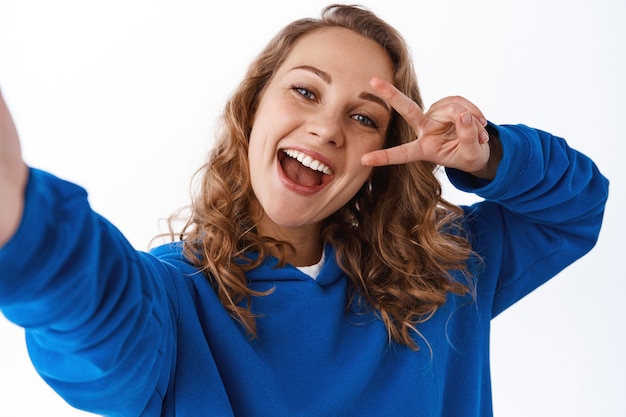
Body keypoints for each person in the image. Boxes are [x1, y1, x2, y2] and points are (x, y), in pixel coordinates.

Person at [0, 4, 608, 417]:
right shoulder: (175, 300)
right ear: (252, 110)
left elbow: (576, 208)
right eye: (306, 91)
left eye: (363, 117)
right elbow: (91, 317)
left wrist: (486, 155)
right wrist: (22, 222)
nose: (326, 128)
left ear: (387, 152)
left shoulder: (446, 271)